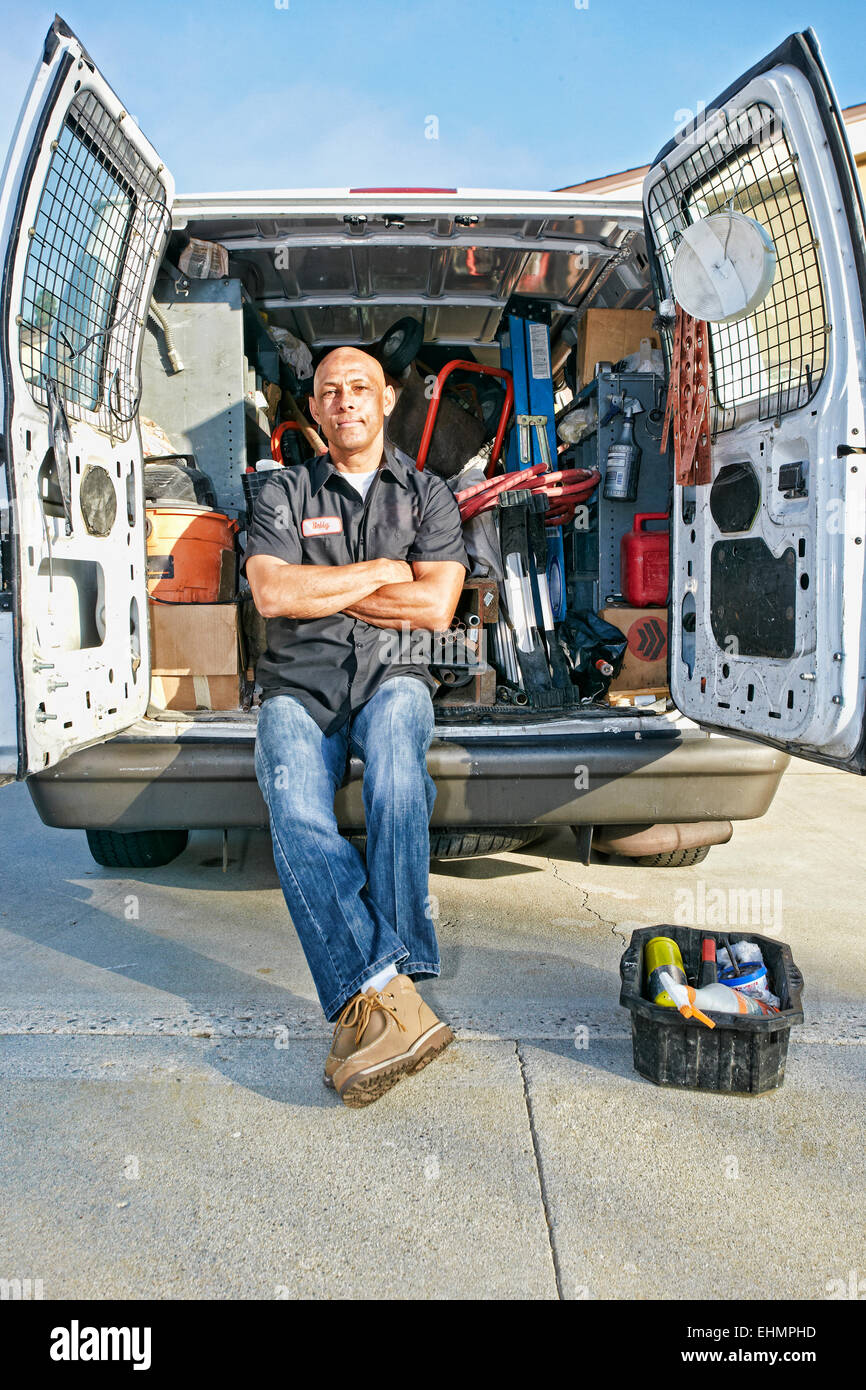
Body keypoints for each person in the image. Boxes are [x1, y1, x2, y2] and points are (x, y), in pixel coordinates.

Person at [242, 346, 469, 1107]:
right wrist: (381, 572)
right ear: (315, 411)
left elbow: (436, 607)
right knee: (295, 810)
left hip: (394, 675)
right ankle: (391, 993)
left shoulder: (429, 495)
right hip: (296, 687)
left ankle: (376, 998)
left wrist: (328, 589)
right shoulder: (282, 490)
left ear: (387, 398)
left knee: (401, 776)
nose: (344, 400)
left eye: (359, 387)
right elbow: (274, 593)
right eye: (329, 391)